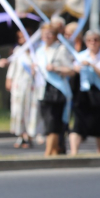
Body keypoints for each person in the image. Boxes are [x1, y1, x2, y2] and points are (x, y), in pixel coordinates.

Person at [33, 23, 75, 156]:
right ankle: (54, 151)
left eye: (50, 33)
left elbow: (71, 70)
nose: (47, 35)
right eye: (44, 32)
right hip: (42, 90)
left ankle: (48, 152)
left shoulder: (60, 49)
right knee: (47, 122)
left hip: (57, 90)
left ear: (55, 35)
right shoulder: (39, 51)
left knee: (53, 122)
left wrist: (56, 68)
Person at [70, 30, 100, 155]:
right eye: (89, 40)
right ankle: (74, 153)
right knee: (78, 123)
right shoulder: (80, 55)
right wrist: (78, 68)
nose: (93, 42)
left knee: (99, 125)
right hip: (83, 93)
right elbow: (73, 70)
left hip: (99, 94)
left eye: (96, 40)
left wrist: (93, 66)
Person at [5, 30, 37, 149]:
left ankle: (29, 135)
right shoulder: (18, 51)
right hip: (19, 85)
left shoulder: (35, 51)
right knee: (18, 110)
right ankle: (20, 135)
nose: (22, 39)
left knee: (29, 110)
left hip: (31, 86)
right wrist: (9, 80)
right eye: (20, 37)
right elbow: (13, 67)